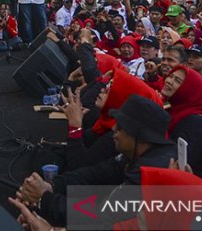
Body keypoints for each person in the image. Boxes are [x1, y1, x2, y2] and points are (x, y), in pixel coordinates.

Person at [17, 95, 176, 227]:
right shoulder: (138, 154)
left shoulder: (149, 174)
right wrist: (52, 186)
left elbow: (103, 219)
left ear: (139, 136)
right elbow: (95, 174)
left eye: (120, 127)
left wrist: (45, 200)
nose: (114, 129)